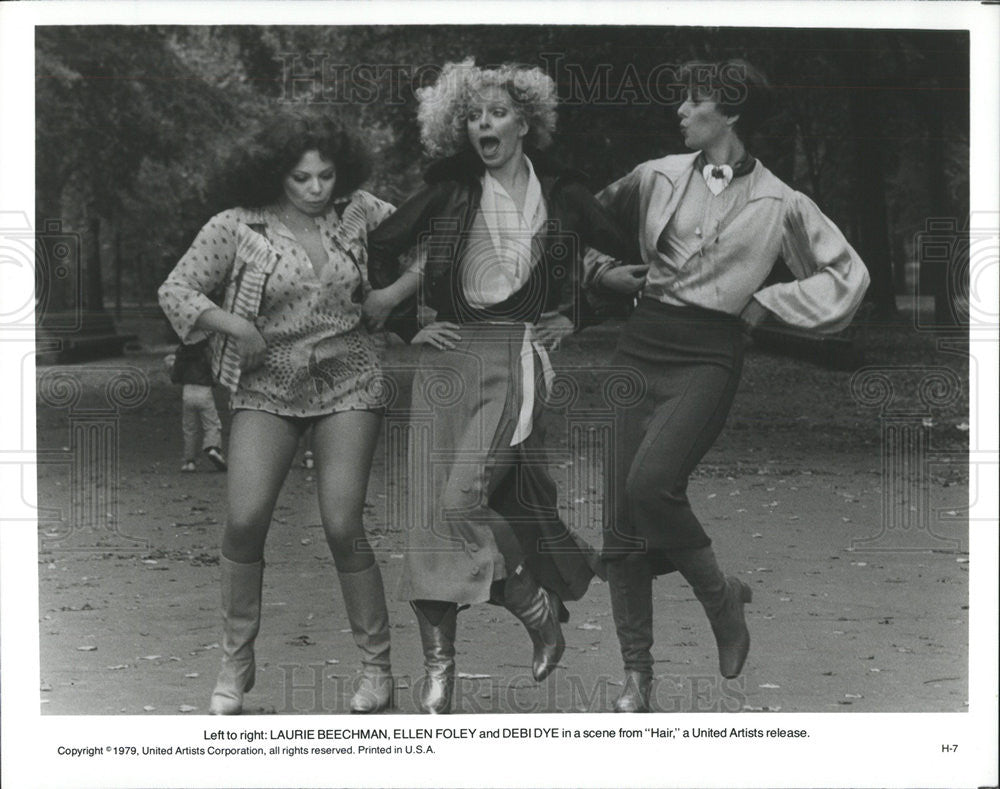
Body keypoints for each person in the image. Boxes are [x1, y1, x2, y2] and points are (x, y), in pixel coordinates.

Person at [587, 59, 871, 712]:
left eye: (695, 100)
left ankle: (722, 601)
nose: (681, 110)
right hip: (638, 349)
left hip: (708, 358)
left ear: (731, 114)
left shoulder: (780, 202)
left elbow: (846, 274)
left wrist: (770, 300)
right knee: (622, 525)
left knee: (650, 483)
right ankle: (637, 677)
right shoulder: (653, 176)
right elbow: (575, 225)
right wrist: (601, 272)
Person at [362, 60, 646, 714]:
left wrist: (580, 314)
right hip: (446, 358)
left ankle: (532, 604)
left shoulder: (564, 192)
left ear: (524, 121)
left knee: (462, 498)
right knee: (430, 518)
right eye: (473, 115)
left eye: (496, 113)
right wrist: (407, 323)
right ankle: (440, 670)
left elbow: (624, 254)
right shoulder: (451, 185)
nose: (483, 124)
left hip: (514, 352)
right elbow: (382, 243)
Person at [158, 110, 396, 715]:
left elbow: (438, 236)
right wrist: (233, 322)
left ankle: (377, 668)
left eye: (325, 176)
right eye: (301, 178)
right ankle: (236, 663)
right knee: (244, 519)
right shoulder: (237, 226)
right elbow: (177, 290)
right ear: (275, 176)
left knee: (343, 524)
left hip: (349, 378)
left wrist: (397, 295)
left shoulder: (361, 211)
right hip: (266, 386)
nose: (316, 189)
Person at [167, 339, 228, 473]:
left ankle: (189, 462)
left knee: (189, 428)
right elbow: (214, 370)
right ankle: (213, 449)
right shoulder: (206, 350)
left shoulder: (181, 352)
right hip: (204, 390)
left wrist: (170, 367)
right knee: (211, 424)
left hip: (187, 391)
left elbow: (175, 377)